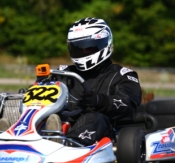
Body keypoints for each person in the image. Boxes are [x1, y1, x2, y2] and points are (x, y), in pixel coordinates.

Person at [45, 17, 142, 146]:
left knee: (95, 117)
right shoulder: (63, 74)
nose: (82, 51)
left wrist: (100, 101)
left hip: (105, 130)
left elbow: (128, 106)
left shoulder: (122, 75)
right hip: (64, 123)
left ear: (104, 43)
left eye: (88, 47)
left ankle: (70, 144)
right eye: (77, 47)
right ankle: (19, 136)